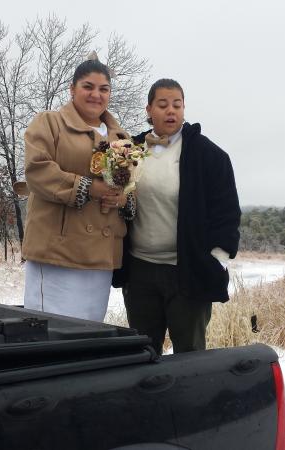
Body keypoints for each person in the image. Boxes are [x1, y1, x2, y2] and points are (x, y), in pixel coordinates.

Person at [113, 79, 241, 354]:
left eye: (177, 104)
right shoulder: (130, 151)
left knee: (190, 356)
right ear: (149, 110)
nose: (170, 110)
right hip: (140, 271)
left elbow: (227, 213)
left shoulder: (208, 155)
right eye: (162, 105)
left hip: (188, 271)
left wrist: (216, 259)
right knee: (142, 354)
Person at [20, 55, 134, 322]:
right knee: (52, 332)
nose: (96, 94)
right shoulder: (49, 123)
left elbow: (132, 186)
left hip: (101, 258)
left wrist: (122, 198)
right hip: (58, 254)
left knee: (87, 333)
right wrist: (88, 187)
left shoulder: (122, 138)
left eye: (104, 89)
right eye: (88, 87)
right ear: (72, 89)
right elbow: (38, 170)